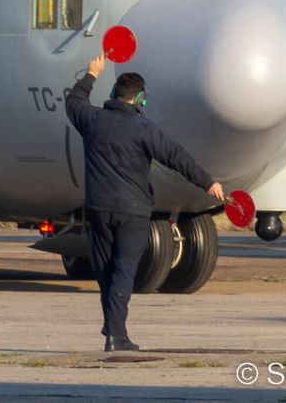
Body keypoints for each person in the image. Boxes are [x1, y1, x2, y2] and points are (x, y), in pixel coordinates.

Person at [65, 53, 225, 352]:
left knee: (105, 271)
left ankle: (114, 327)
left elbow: (74, 102)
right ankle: (116, 335)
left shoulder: (93, 120)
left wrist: (91, 74)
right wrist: (208, 182)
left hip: (98, 209)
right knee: (124, 271)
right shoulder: (144, 129)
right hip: (133, 211)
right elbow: (177, 157)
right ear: (141, 99)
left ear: (113, 95)